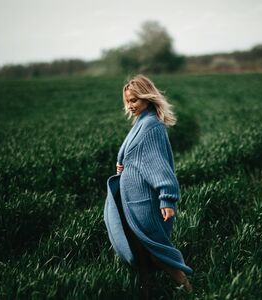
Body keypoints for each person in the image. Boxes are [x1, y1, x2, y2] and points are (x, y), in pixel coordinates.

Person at [103, 74, 193, 299]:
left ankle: (189, 290)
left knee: (156, 251)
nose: (130, 105)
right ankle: (147, 292)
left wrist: (167, 199)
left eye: (135, 100)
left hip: (145, 202)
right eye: (127, 101)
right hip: (133, 201)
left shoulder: (151, 126)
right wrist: (122, 164)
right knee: (139, 250)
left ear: (147, 97)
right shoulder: (141, 122)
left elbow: (159, 166)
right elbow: (134, 156)